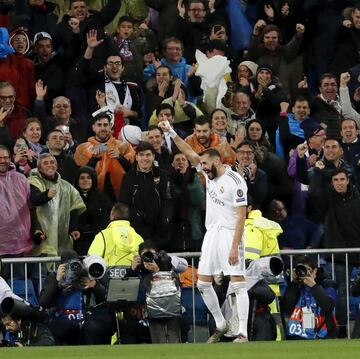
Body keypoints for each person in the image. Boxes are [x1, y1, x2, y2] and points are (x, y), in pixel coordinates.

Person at [159, 121, 249, 343]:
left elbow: (241, 216)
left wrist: (235, 247)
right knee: (203, 283)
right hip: (211, 234)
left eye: (206, 164)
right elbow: (189, 152)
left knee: (238, 283)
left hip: (230, 233)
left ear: (218, 161)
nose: (203, 168)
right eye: (203, 164)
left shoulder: (235, 182)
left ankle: (243, 333)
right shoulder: (208, 172)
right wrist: (171, 132)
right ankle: (220, 323)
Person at [39, 249, 114, 345]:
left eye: (75, 265)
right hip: (62, 318)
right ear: (61, 266)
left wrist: (94, 285)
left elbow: (106, 298)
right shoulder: (54, 276)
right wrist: (57, 282)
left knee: (92, 327)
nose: (72, 270)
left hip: (85, 318)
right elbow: (43, 302)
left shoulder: (85, 275)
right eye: (68, 266)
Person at [28, 153, 86, 257]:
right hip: (42, 236)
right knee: (42, 270)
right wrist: (46, 195)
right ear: (39, 168)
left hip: (62, 237)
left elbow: (74, 207)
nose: (50, 165)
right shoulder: (34, 181)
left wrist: (73, 228)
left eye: (52, 162)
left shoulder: (65, 186)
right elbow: (34, 200)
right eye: (45, 163)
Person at [130, 240, 188, 343]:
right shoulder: (138, 270)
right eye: (145, 255)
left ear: (156, 254)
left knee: (174, 341)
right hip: (151, 310)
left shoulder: (165, 264)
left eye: (151, 254)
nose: (148, 258)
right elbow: (137, 294)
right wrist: (132, 270)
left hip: (171, 308)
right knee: (158, 342)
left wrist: (158, 271)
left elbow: (174, 287)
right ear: (139, 256)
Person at [118, 141, 173, 246]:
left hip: (159, 230)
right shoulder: (129, 177)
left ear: (153, 156)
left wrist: (165, 220)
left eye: (148, 155)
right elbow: (123, 202)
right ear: (137, 157)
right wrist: (137, 216)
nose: (145, 158)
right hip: (136, 230)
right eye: (141, 155)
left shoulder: (164, 175)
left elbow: (168, 200)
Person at [74, 112, 135, 201]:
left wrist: (120, 158)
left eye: (105, 125)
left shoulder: (122, 146)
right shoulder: (83, 148)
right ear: (93, 127)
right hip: (93, 198)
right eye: (99, 125)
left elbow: (131, 170)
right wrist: (94, 159)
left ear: (110, 126)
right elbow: (80, 175)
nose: (103, 128)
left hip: (121, 197)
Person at [282, 255, 337, 339]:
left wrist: (314, 286)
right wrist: (294, 283)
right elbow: (286, 308)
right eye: (300, 269)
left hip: (323, 333)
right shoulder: (296, 285)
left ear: (315, 271)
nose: (304, 272)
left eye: (307, 269)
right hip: (297, 334)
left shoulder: (328, 284)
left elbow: (328, 305)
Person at [0, 145, 34, 276]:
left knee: (19, 289)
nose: (2, 160)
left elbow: (32, 207)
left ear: (11, 158)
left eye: (5, 157)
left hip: (19, 243)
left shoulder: (21, 179)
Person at [88, 202, 143, 266]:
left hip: (108, 274)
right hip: (133, 274)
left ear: (112, 215)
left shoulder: (102, 235)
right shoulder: (138, 237)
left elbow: (91, 260)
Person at [73, 166, 113, 255]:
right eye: (82, 178)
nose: (85, 180)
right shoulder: (72, 197)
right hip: (78, 240)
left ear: (93, 180)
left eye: (88, 178)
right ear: (77, 181)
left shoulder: (102, 198)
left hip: (98, 240)